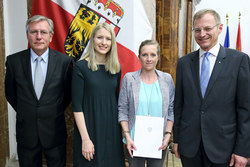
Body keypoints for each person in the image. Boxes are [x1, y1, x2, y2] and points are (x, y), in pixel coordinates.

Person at [173, 9, 250, 167]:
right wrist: (177, 139)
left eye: (207, 29)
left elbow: (245, 109)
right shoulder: (184, 63)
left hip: (224, 149)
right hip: (190, 148)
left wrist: (243, 150)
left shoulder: (239, 61)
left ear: (220, 28)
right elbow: (179, 106)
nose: (202, 34)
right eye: (197, 30)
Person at [5, 15, 73, 167]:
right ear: (27, 35)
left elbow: (67, 95)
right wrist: (27, 110)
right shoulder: (13, 62)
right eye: (34, 32)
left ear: (51, 35)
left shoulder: (64, 62)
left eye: (43, 32)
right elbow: (10, 94)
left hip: (54, 132)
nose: (39, 36)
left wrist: (50, 110)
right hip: (26, 133)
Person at [71, 23, 125, 167]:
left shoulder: (116, 68)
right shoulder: (81, 67)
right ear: (93, 39)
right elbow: (77, 107)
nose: (103, 42)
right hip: (90, 129)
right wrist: (85, 139)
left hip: (112, 131)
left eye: (108, 39)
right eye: (99, 37)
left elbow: (115, 100)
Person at [118, 39, 175, 167]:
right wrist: (127, 135)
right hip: (134, 140)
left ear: (158, 57)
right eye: (144, 55)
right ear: (139, 57)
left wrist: (167, 135)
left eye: (153, 55)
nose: (149, 59)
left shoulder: (167, 80)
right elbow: (122, 109)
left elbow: (171, 109)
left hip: (158, 141)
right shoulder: (129, 79)